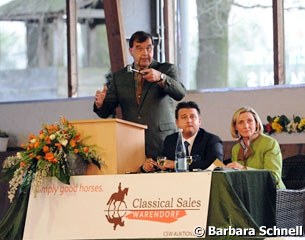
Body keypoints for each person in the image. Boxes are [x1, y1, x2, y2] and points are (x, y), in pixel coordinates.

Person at [93, 31, 186, 162]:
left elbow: (180, 93)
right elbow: (105, 112)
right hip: (131, 144)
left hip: (162, 140)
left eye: (149, 48)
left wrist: (161, 78)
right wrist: (100, 104)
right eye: (139, 48)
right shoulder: (120, 77)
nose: (145, 53)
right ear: (131, 50)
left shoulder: (166, 69)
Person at [148, 101, 223, 172]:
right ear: (177, 122)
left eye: (192, 117)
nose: (189, 120)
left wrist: (177, 165)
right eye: (184, 117)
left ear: (199, 121)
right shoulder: (170, 140)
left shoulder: (212, 140)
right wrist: (149, 166)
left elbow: (216, 165)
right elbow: (163, 163)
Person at [226, 106, 286, 189]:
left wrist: (243, 169)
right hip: (247, 193)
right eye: (240, 122)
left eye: (250, 121)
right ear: (235, 127)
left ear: (256, 123)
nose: (246, 126)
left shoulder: (270, 143)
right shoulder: (235, 149)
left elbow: (273, 177)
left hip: (272, 194)